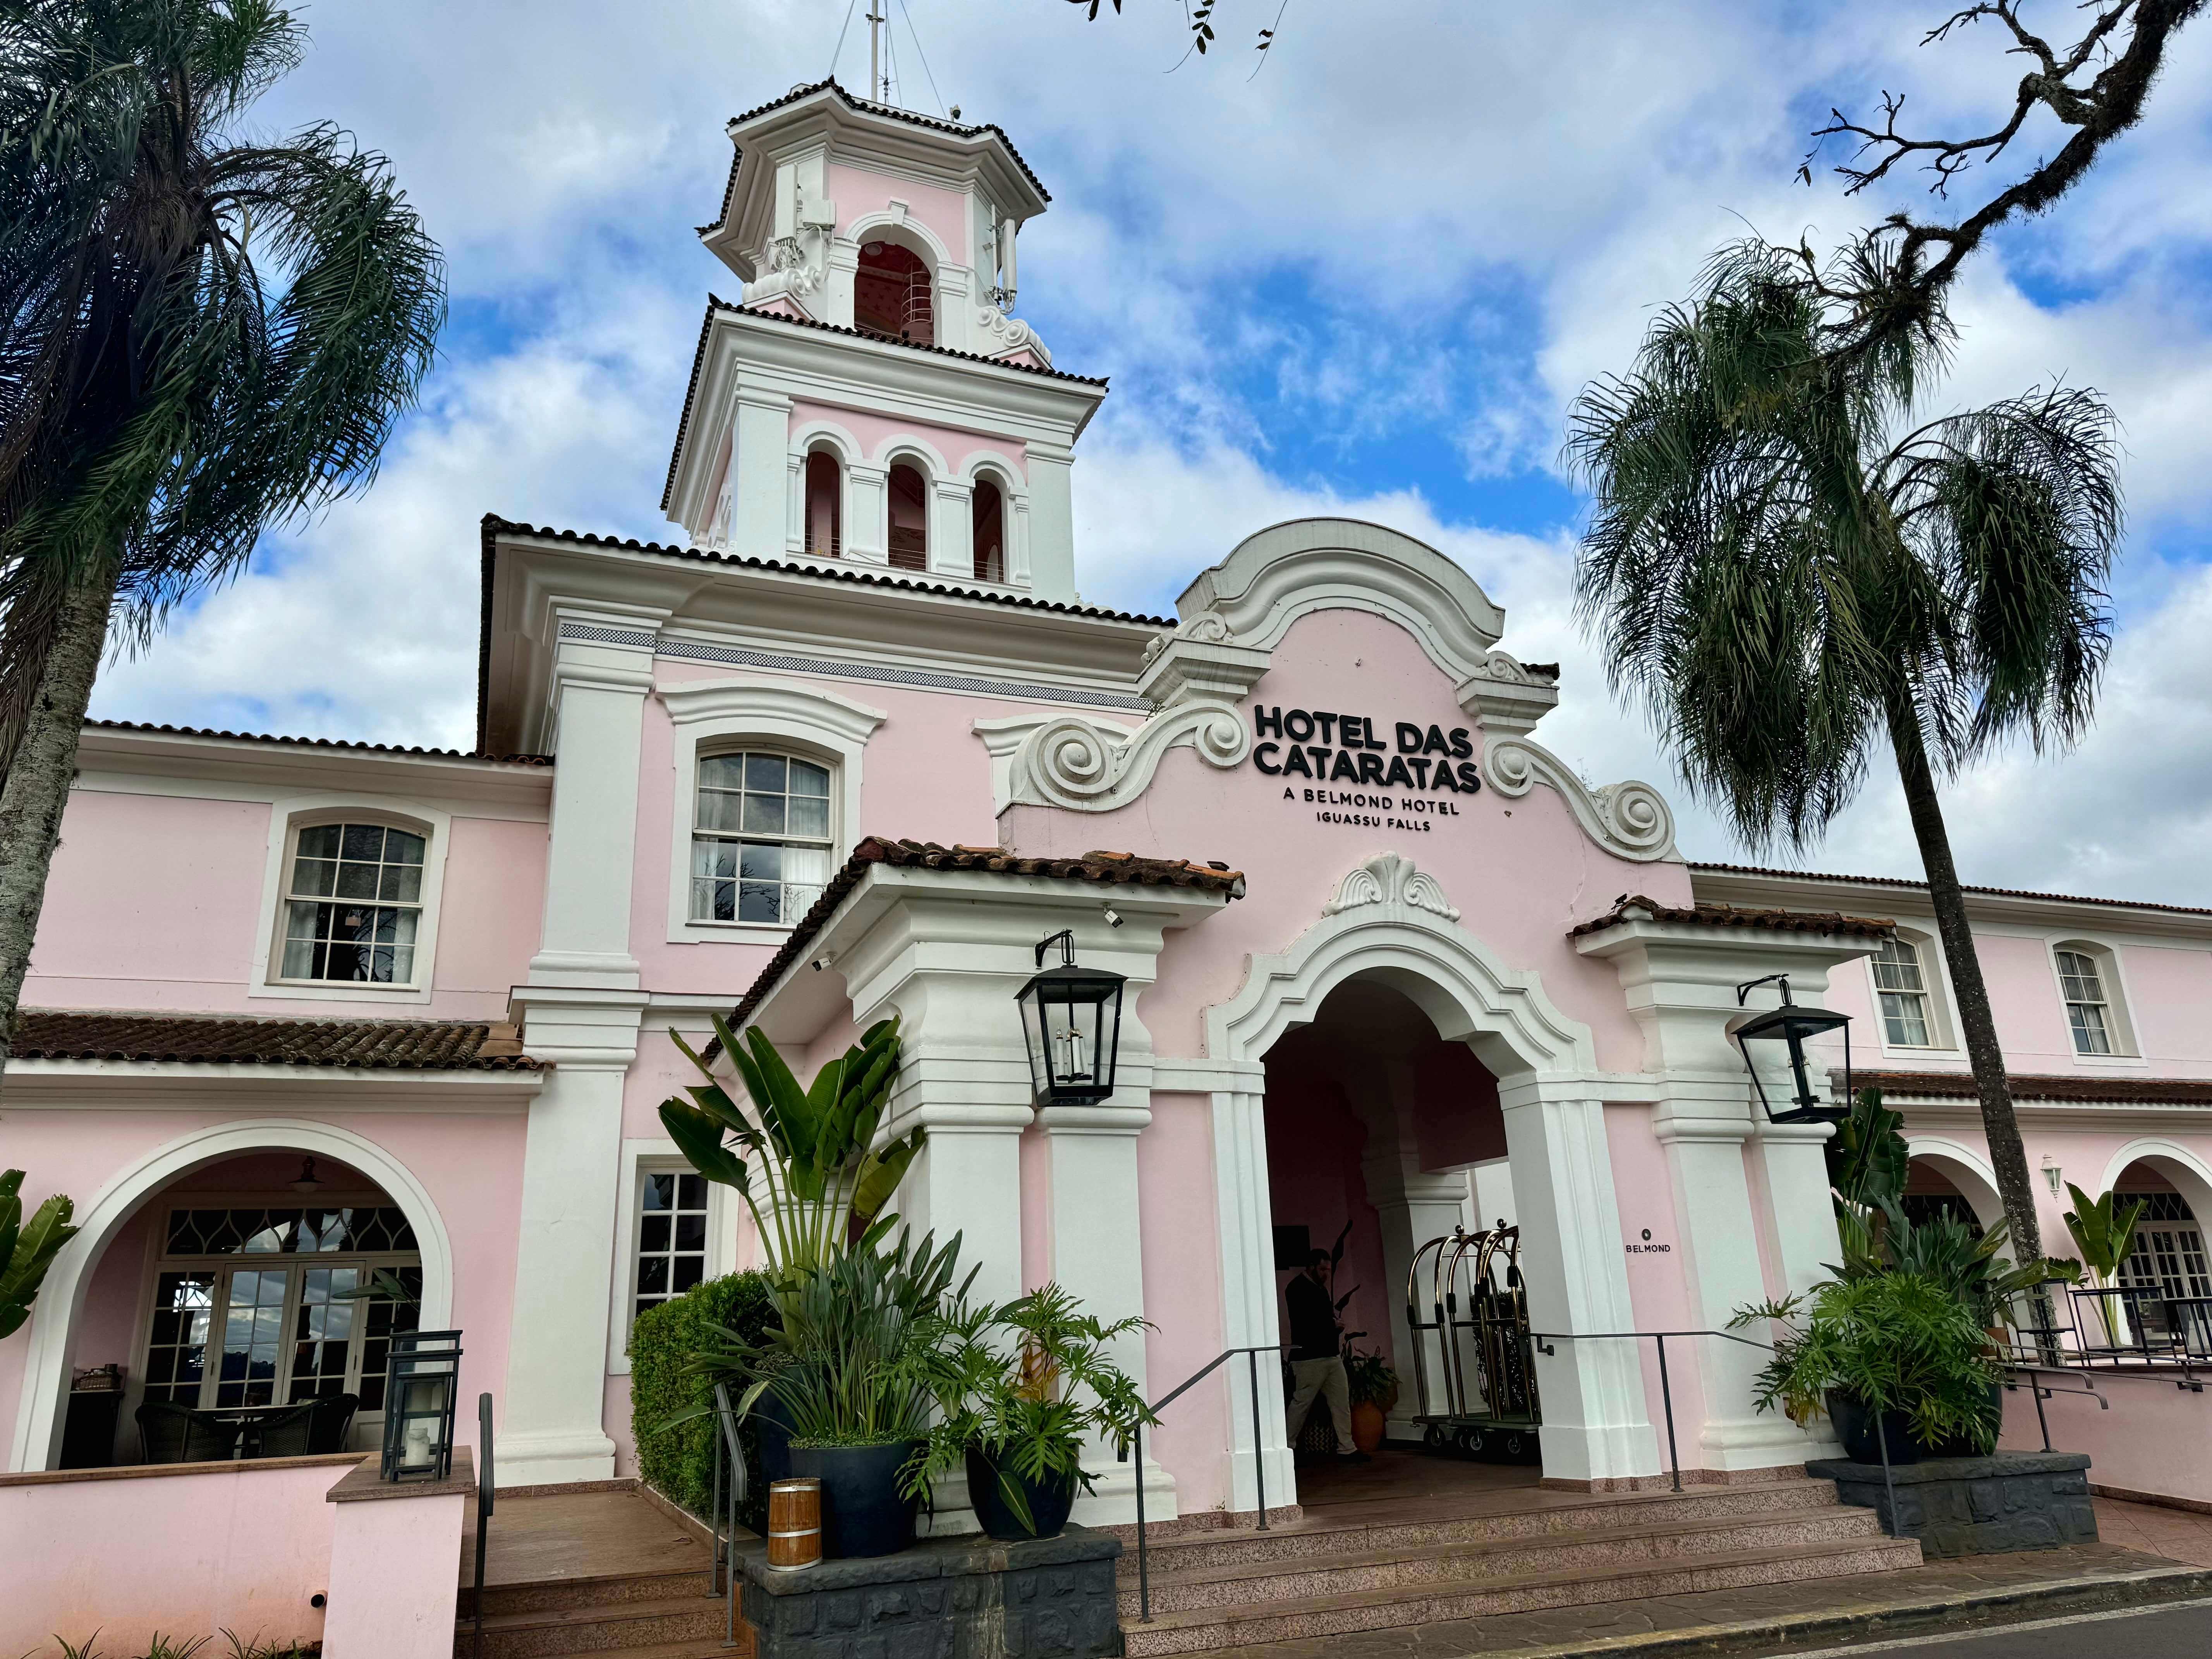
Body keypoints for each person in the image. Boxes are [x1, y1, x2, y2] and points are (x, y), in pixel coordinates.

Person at [1284, 1249, 1365, 1461]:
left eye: (1327, 1270)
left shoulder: (1319, 1289)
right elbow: (1306, 1321)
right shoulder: (1296, 1289)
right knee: (1301, 1403)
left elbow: (1321, 1318)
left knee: (1340, 1402)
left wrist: (1333, 1325)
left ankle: (1347, 1447)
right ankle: (1286, 1447)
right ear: (1310, 1266)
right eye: (1322, 1269)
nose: (1326, 1274)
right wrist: (1332, 1325)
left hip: (1330, 1354)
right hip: (1309, 1357)